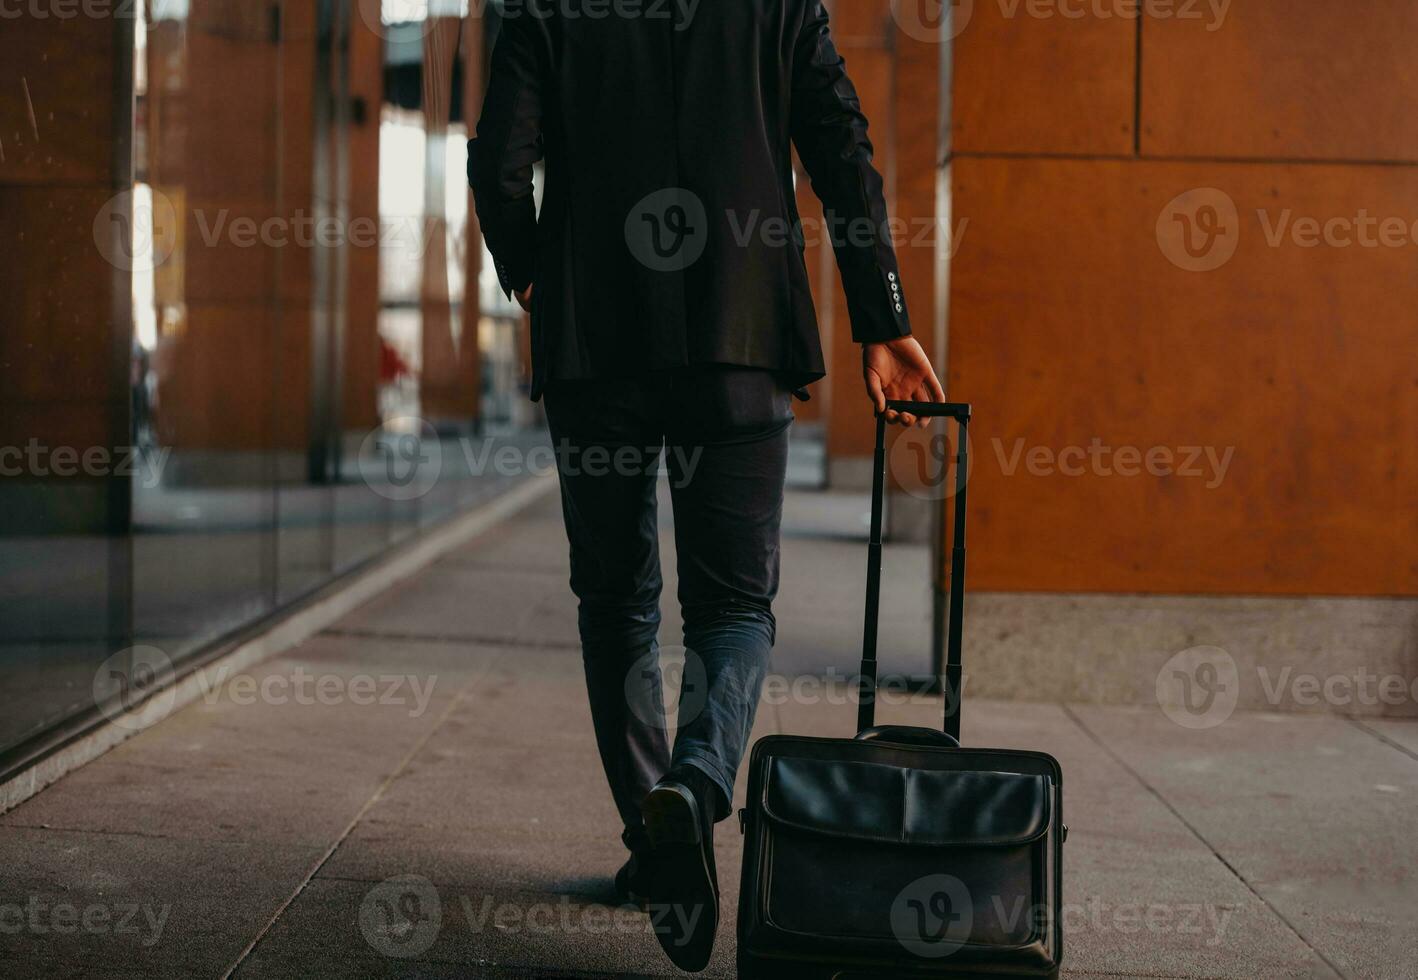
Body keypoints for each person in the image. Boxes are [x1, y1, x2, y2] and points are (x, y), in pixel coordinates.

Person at [469, 0, 944, 970]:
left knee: (614, 600)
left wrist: (532, 276)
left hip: (593, 346)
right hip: (739, 342)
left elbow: (495, 165)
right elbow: (843, 162)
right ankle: (693, 779)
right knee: (732, 603)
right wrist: (879, 318)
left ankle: (654, 841)